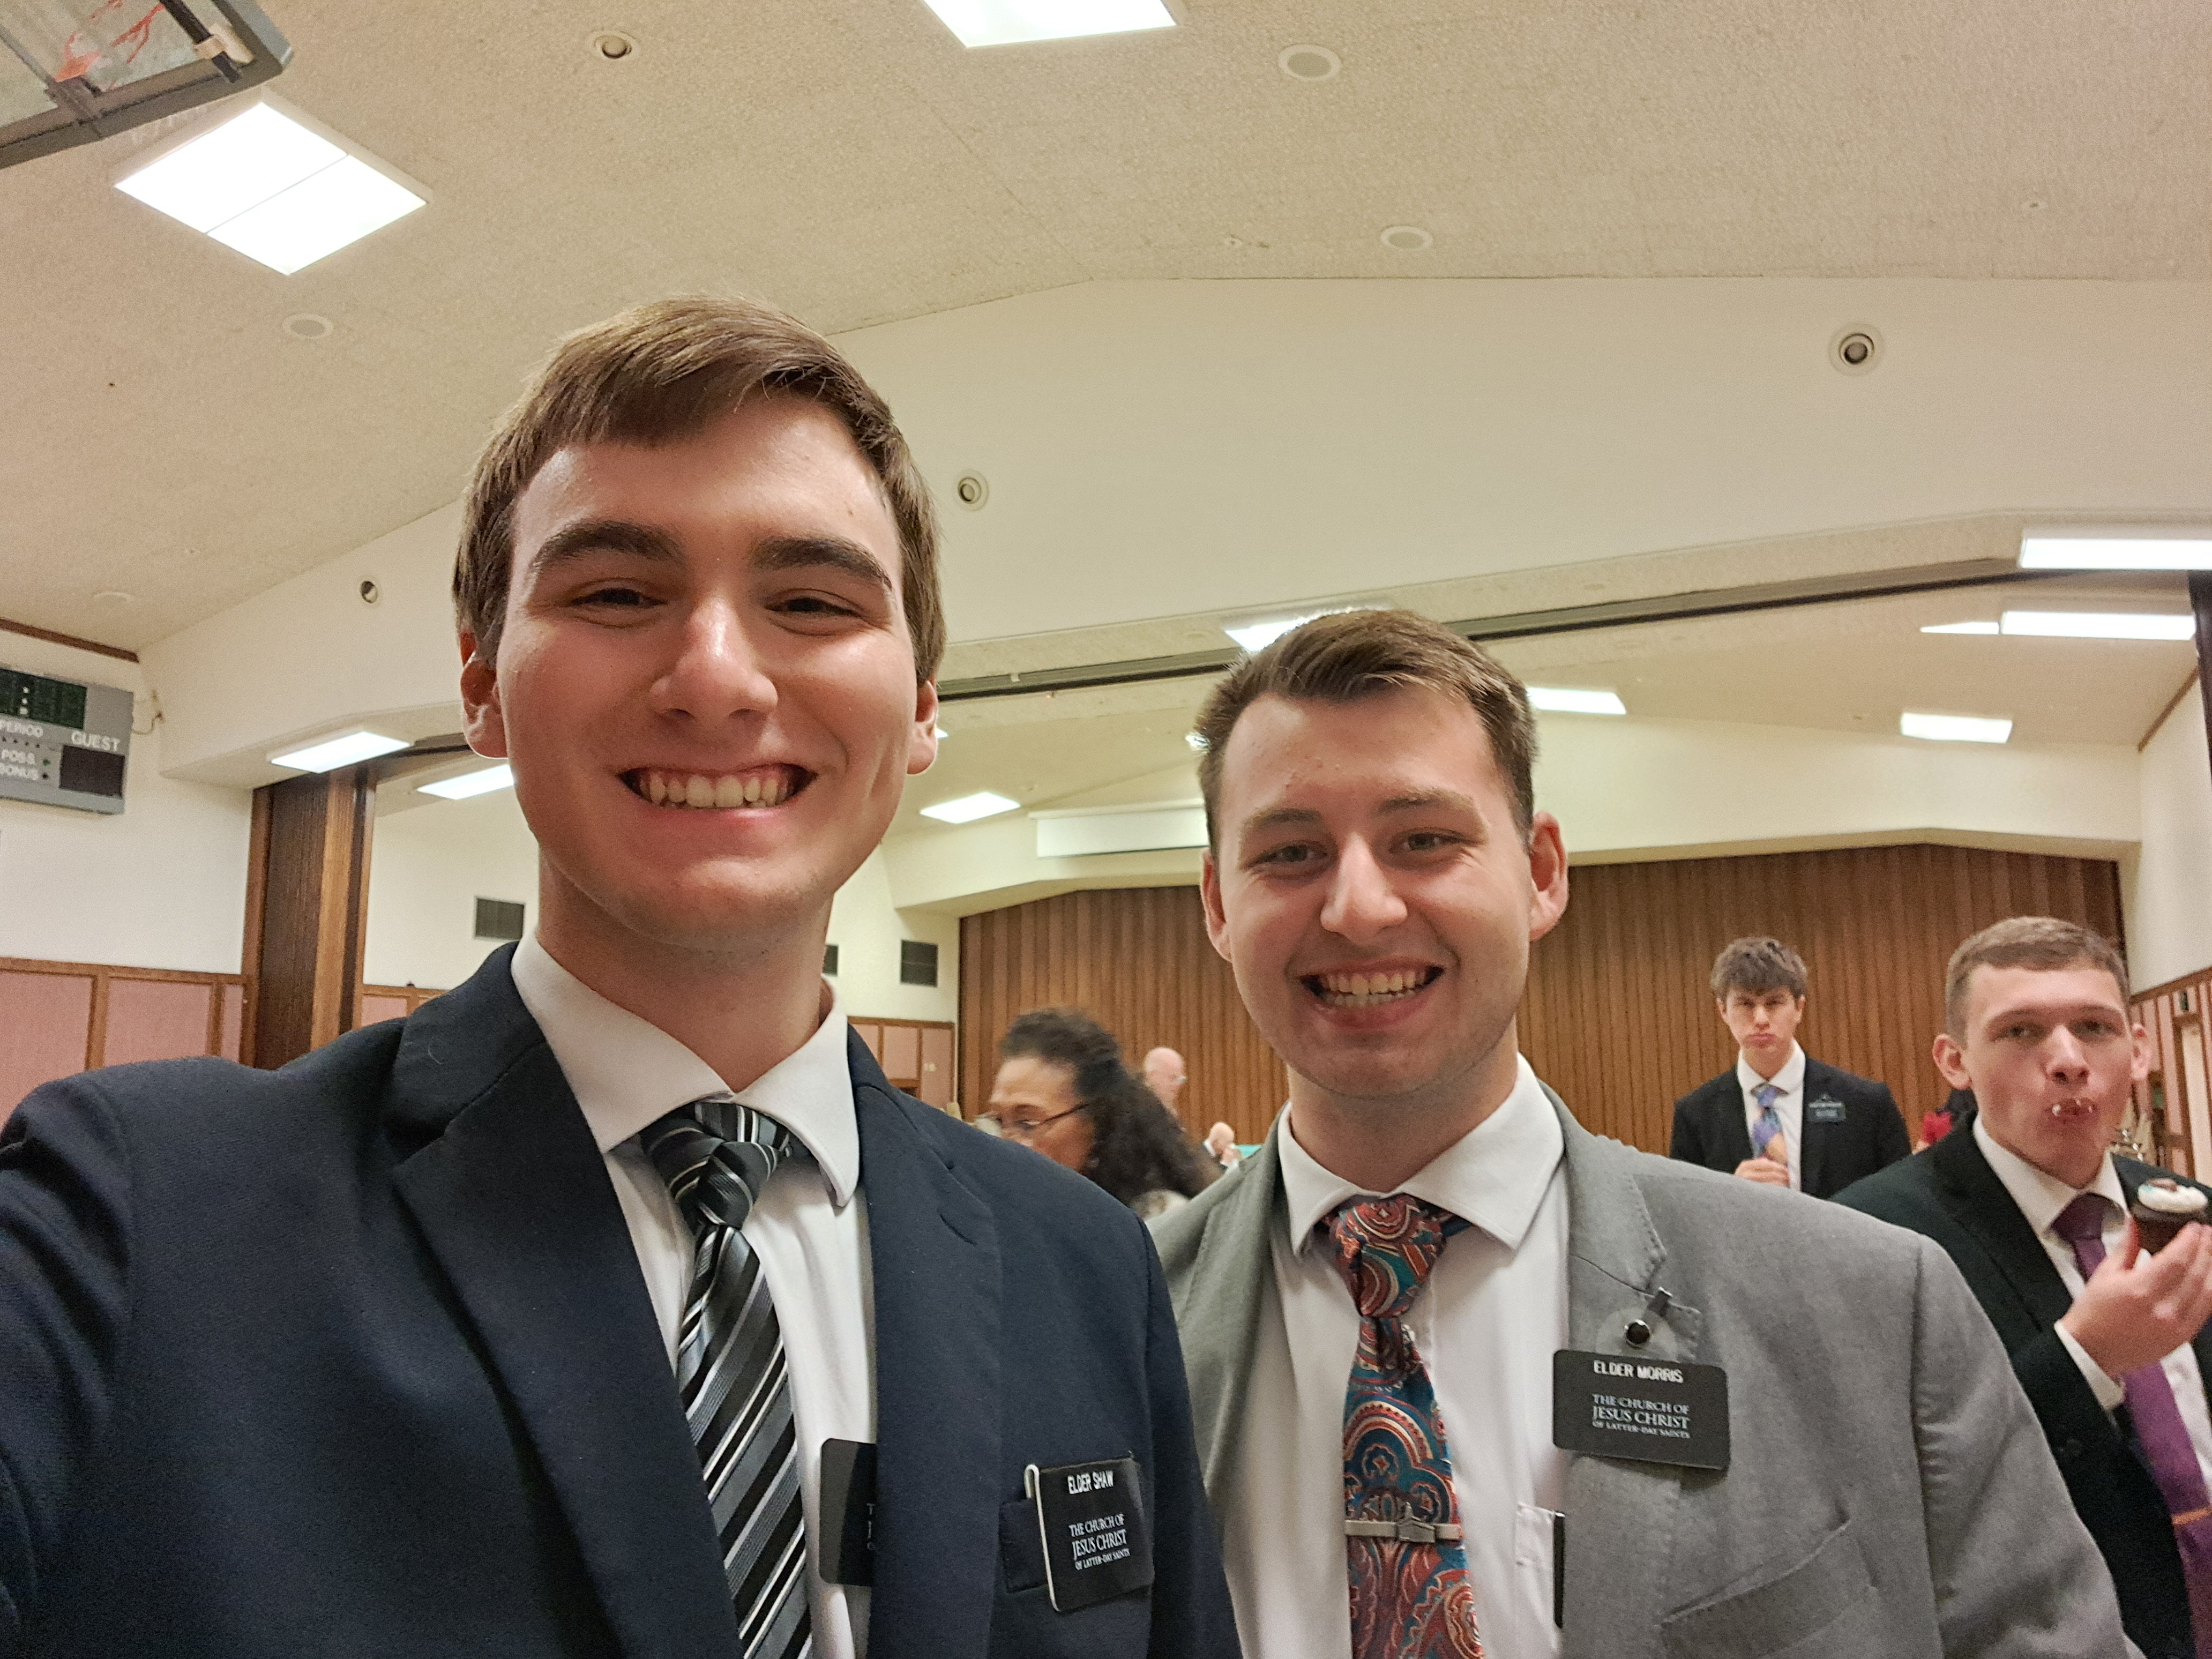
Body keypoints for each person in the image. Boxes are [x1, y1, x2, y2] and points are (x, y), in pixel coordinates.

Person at [0, 298, 1237, 1658]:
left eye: (812, 602)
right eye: (615, 594)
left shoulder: (1081, 1264)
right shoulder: (136, 1223)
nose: (714, 676)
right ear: (481, 683)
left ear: (924, 704)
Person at [1152, 607, 2126, 1658]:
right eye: (1290, 851)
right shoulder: (1118, 1325)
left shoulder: (1873, 1313)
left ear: (1541, 873)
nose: (1358, 906)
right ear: (1216, 903)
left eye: (1424, 839)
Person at [1835, 917, 2212, 1659]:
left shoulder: (2192, 1208)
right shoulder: (1871, 1237)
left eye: (2095, 1028)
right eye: (2021, 1033)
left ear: (2138, 1052)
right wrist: (2082, 1358)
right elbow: (1885, 1486)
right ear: (1955, 1060)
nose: (2068, 1060)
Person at [1668, 936, 1911, 1197]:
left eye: (1774, 1003)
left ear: (1799, 1008)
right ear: (1723, 1011)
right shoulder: (1695, 1115)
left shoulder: (1867, 1105)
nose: (1760, 1019)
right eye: (1745, 1004)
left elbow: (1901, 1205)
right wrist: (1728, 1196)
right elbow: (1683, 1217)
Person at [992, 1008, 1216, 1220]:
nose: (1004, 1144)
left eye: (1027, 1123)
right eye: (999, 1122)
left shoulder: (1156, 1221)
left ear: (1098, 1126)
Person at [1144, 1045, 1189, 1115]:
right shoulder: (1138, 1112)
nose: (1178, 1085)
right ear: (1152, 1076)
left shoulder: (1169, 1111)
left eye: (1181, 1080)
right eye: (1172, 1078)